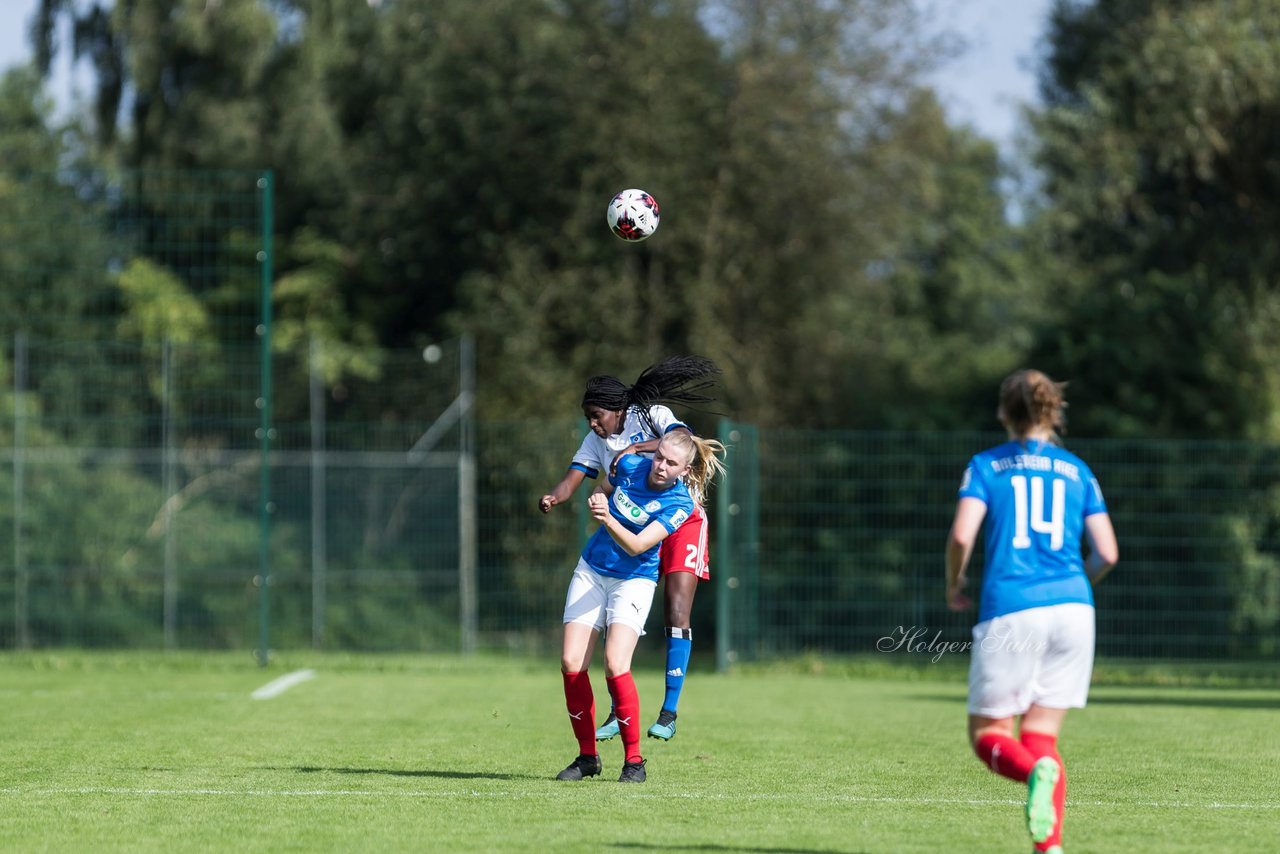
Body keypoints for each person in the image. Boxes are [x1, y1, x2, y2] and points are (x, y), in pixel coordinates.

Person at [945, 369, 1118, 854]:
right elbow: (1107, 552)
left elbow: (962, 535)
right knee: (1041, 733)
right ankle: (1051, 849)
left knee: (989, 734)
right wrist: (1074, 584)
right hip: (1074, 610)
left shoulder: (986, 466)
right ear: (1053, 411)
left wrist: (954, 582)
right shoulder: (1078, 470)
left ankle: (1033, 774)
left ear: (1004, 412)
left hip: (1012, 608)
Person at [540, 356, 720, 742]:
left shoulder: (651, 414)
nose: (592, 423)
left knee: (676, 608)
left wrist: (635, 447)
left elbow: (682, 441)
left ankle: (669, 711)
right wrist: (554, 497)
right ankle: (615, 710)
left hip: (680, 517)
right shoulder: (595, 441)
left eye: (596, 414)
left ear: (616, 408)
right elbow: (576, 479)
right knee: (611, 626)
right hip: (636, 522)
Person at [555, 430, 726, 783]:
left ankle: (634, 762)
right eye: (659, 456)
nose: (660, 466)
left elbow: (636, 545)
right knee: (571, 664)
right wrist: (598, 498)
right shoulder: (631, 465)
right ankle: (588, 757)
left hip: (634, 580)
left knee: (616, 665)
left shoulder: (679, 505)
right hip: (592, 569)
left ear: (686, 470)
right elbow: (602, 489)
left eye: (670, 463)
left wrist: (606, 517)